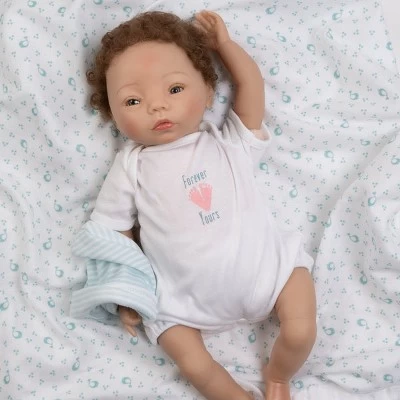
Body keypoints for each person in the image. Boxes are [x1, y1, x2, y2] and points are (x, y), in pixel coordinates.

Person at [86, 10, 317, 400]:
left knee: (301, 330)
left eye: (175, 89)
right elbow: (111, 232)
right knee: (193, 364)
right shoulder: (132, 165)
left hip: (268, 274)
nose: (157, 107)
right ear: (112, 113)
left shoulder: (229, 142)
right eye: (133, 100)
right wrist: (126, 291)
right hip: (182, 302)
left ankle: (279, 377)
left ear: (208, 91)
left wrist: (224, 47)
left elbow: (250, 85)